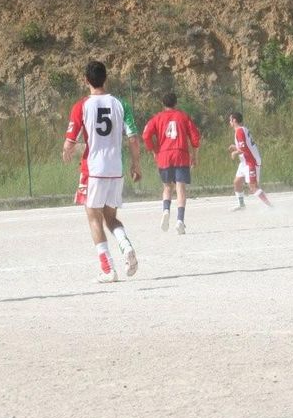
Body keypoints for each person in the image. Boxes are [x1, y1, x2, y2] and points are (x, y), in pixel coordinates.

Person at [63, 61, 142, 283]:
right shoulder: (120, 104)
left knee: (93, 217)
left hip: (93, 170)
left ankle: (108, 269)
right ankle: (126, 245)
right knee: (111, 218)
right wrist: (136, 164)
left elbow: (70, 141)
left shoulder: (82, 106)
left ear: (85, 80)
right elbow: (133, 138)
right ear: (106, 78)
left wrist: (67, 151)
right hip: (115, 169)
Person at [142, 91, 201, 234]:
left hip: (164, 155)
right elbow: (195, 137)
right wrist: (194, 155)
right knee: (180, 188)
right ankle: (180, 220)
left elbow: (146, 135)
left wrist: (154, 150)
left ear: (163, 104)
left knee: (167, 187)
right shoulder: (183, 116)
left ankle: (166, 210)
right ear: (176, 103)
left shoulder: (157, 118)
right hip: (181, 154)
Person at [228, 112, 272, 210]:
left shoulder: (239, 131)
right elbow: (245, 146)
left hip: (251, 161)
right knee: (237, 182)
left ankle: (270, 206)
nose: (229, 122)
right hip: (244, 162)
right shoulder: (242, 130)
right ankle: (241, 205)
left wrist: (235, 152)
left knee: (253, 187)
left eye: (230, 120)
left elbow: (244, 149)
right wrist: (235, 147)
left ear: (234, 120)